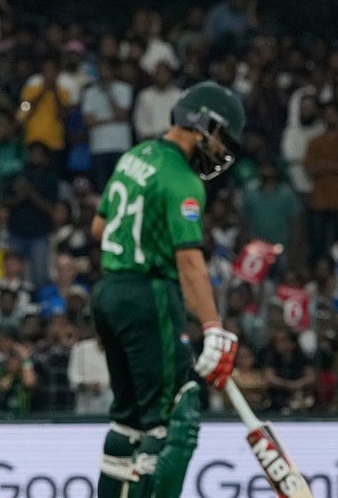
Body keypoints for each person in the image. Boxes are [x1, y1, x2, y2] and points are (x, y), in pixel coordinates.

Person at [90, 81, 244, 498]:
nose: (221, 149)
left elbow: (100, 227)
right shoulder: (183, 181)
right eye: (220, 135)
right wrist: (212, 325)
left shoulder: (135, 155)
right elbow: (189, 260)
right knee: (173, 415)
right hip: (148, 295)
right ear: (203, 122)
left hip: (108, 291)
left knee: (127, 419)